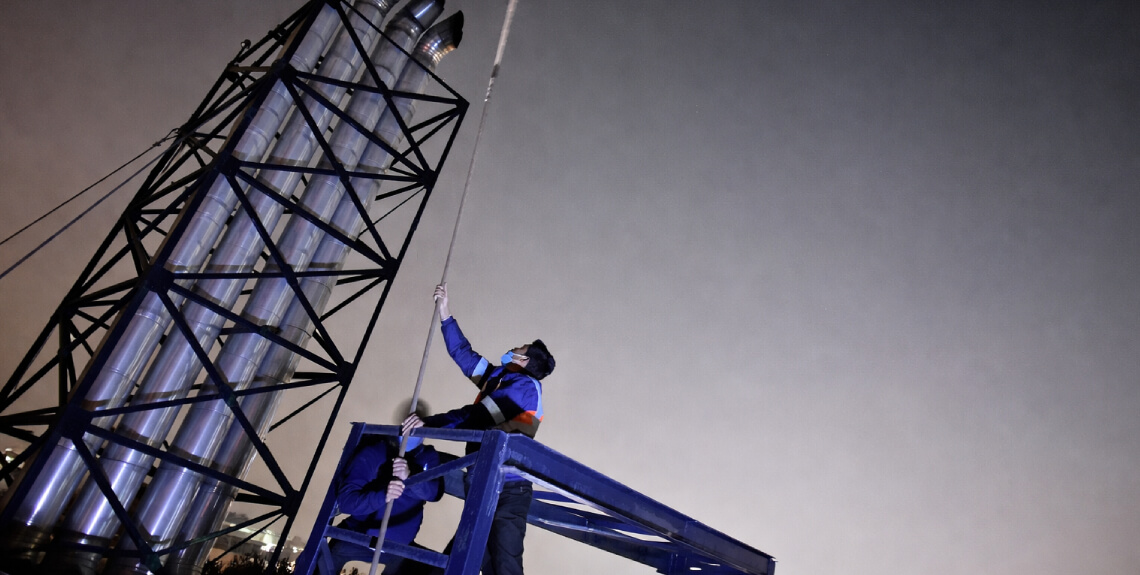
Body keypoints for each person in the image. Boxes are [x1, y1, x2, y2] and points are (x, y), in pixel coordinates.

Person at [402, 283, 555, 575]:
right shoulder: (498, 377)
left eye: (519, 348)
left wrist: (428, 424)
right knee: (475, 555)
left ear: (524, 361)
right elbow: (464, 354)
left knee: (504, 562)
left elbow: (476, 416)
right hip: (482, 477)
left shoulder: (526, 387)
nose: (513, 348)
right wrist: (445, 313)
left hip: (508, 484)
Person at [301, 416, 445, 575]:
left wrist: (410, 478)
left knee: (440, 568)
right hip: (358, 537)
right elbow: (347, 501)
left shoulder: (428, 455)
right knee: (316, 564)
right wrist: (383, 495)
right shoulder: (374, 452)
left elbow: (434, 493)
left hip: (398, 548)